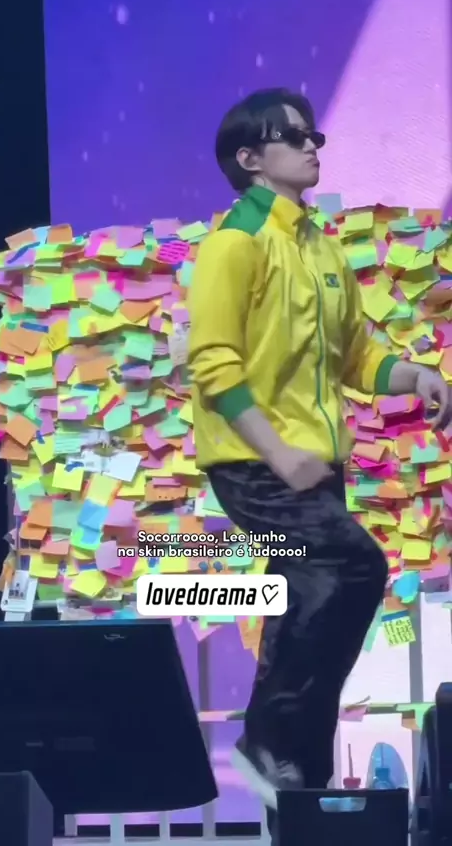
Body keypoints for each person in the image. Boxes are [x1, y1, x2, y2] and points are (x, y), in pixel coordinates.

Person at [187, 87, 451, 818]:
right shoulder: (235, 243)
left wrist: (415, 376)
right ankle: (265, 741)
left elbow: (354, 356)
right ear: (249, 159)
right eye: (294, 137)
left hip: (313, 467)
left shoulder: (321, 245)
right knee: (354, 567)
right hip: (254, 465)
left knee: (305, 597)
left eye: (314, 137)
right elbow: (213, 365)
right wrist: (278, 455)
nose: (312, 147)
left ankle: (295, 781)